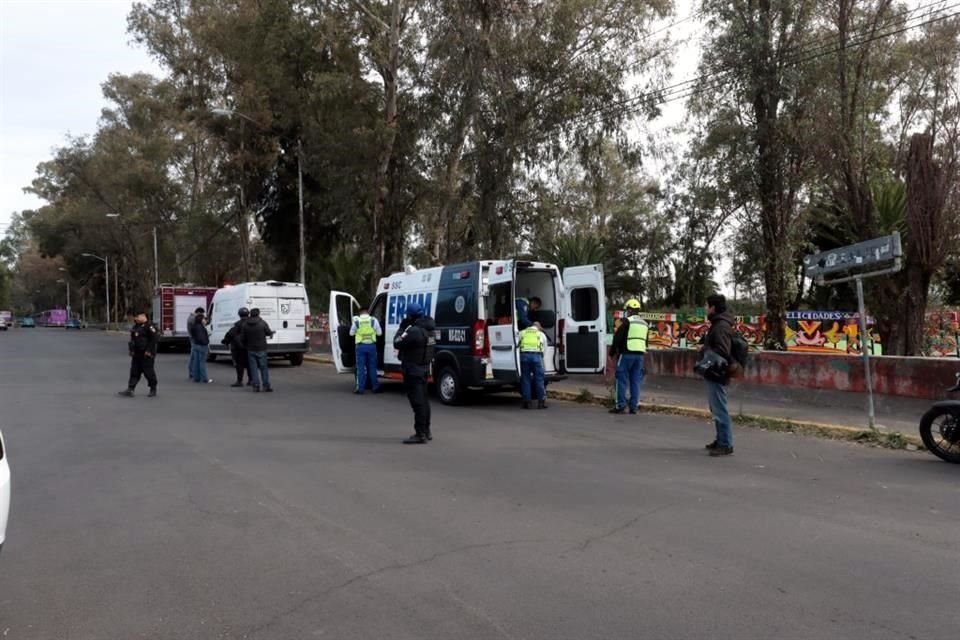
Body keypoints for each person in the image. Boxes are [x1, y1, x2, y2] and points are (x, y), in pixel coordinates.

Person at [394, 302, 436, 444]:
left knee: (417, 403)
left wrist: (401, 329)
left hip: (413, 370)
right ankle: (426, 430)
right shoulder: (430, 329)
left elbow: (397, 342)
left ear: (411, 316)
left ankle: (420, 434)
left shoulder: (415, 331)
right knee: (424, 401)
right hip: (424, 368)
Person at [702, 293, 736, 456]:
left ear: (713, 307)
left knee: (720, 408)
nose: (705, 309)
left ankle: (725, 444)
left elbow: (722, 350)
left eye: (706, 306)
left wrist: (704, 351)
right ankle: (720, 439)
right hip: (714, 371)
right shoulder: (719, 324)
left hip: (717, 371)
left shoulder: (721, 326)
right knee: (716, 408)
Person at [609, 299, 649, 415]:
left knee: (621, 379)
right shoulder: (645, 323)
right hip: (639, 356)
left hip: (626, 354)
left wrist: (611, 353)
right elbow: (646, 342)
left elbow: (617, 338)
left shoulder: (627, 322)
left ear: (630, 310)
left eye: (627, 310)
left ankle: (620, 405)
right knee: (635, 381)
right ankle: (633, 407)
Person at [118, 311, 158, 397]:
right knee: (134, 371)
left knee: (148, 372)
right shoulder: (136, 326)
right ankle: (130, 389)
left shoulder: (150, 326)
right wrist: (131, 350)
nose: (135, 319)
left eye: (137, 317)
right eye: (135, 317)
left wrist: (149, 350)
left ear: (143, 316)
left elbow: (154, 340)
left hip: (146, 354)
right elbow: (132, 340)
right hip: (137, 354)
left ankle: (153, 389)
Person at [350, 307, 382, 395]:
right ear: (368, 312)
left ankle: (360, 389)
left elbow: (351, 333)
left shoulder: (357, 321)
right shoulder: (373, 320)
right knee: (372, 367)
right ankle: (375, 387)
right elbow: (379, 333)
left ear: (360, 313)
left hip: (360, 347)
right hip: (371, 346)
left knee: (360, 368)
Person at [242, 307, 275, 392]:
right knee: (263, 368)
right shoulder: (262, 323)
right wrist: (271, 333)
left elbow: (242, 338)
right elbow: (268, 332)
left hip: (251, 349)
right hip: (262, 348)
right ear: (258, 314)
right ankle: (266, 385)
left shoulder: (245, 324)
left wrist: (246, 345)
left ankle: (256, 385)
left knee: (253, 368)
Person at [518, 321, 548, 409]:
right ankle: (541, 402)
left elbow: (517, 345)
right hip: (537, 357)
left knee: (525, 379)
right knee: (539, 379)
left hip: (524, 357)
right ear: (538, 327)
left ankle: (527, 402)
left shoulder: (522, 333)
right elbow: (544, 349)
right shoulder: (541, 334)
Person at [223, 307, 251, 388]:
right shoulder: (252, 323)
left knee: (239, 365)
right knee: (250, 364)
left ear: (239, 315)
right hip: (250, 347)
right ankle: (251, 380)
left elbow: (230, 334)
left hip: (239, 348)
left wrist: (225, 341)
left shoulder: (238, 324)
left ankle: (239, 381)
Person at [189, 309, 213, 383]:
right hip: (202, 346)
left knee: (196, 362)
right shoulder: (200, 327)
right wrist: (206, 341)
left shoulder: (194, 326)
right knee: (202, 363)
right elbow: (201, 337)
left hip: (196, 344)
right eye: (204, 319)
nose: (205, 321)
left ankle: (196, 377)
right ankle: (205, 378)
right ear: (201, 319)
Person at [186, 307, 204, 380]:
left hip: (193, 338)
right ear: (199, 312)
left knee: (194, 356)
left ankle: (192, 372)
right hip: (194, 339)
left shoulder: (191, 317)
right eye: (201, 314)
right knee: (193, 356)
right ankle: (192, 372)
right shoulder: (193, 319)